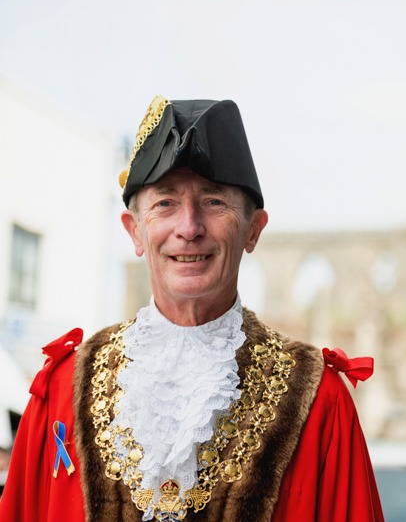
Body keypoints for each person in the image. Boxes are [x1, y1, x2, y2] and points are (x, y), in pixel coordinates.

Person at [0, 97, 384, 522]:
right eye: (165, 203)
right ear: (135, 231)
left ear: (253, 229)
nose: (188, 227)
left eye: (213, 201)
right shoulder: (61, 389)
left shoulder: (319, 401)